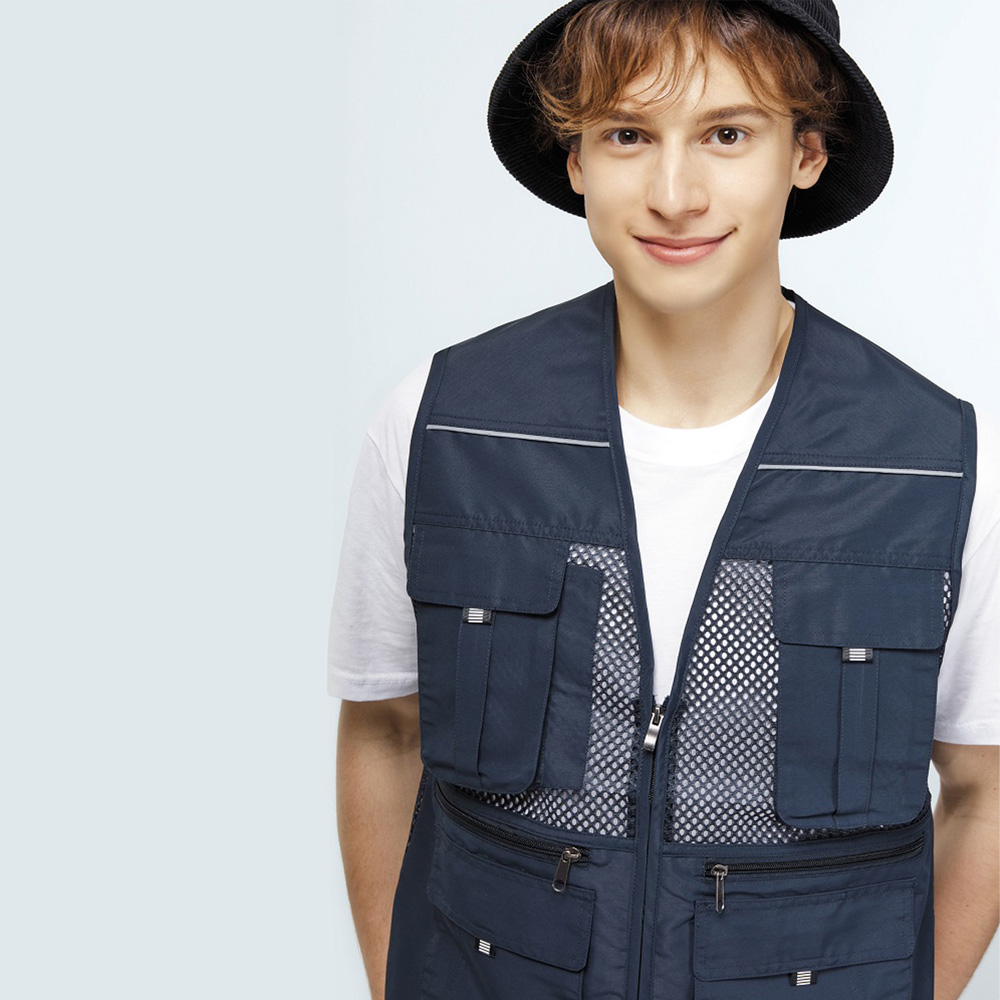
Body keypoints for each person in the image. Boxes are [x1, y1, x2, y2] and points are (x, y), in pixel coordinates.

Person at [328, 2, 1000, 998]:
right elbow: (383, 731)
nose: (674, 194)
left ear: (805, 154)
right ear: (575, 159)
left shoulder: (935, 465)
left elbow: (985, 792)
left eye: (727, 134)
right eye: (627, 135)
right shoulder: (444, 423)